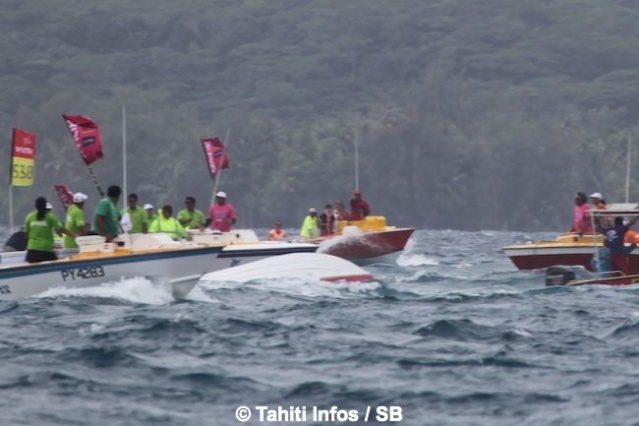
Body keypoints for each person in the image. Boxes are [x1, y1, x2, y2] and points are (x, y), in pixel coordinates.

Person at [24, 197, 74, 263]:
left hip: (32, 250)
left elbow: (26, 234)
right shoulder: (50, 217)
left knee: (33, 268)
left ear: (35, 206)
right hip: (46, 249)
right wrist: (74, 236)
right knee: (55, 267)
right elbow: (61, 229)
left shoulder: (29, 217)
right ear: (45, 206)